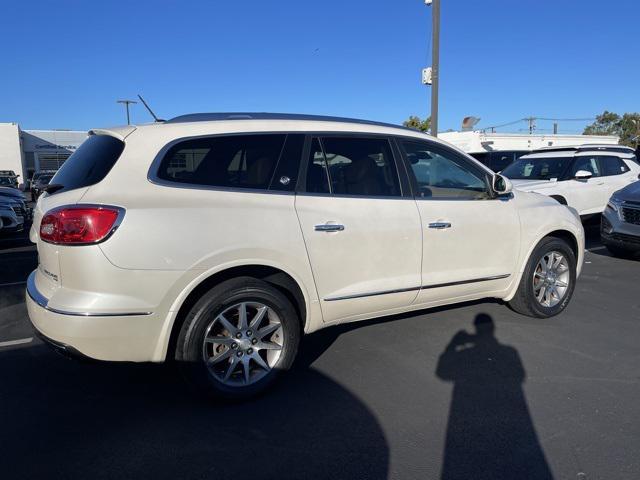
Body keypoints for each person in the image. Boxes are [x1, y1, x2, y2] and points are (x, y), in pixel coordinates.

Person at [436, 313, 553, 480]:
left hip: (467, 409)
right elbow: (520, 376)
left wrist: (453, 344)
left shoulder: (468, 352)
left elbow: (442, 373)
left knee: (468, 456)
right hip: (508, 411)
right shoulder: (510, 351)